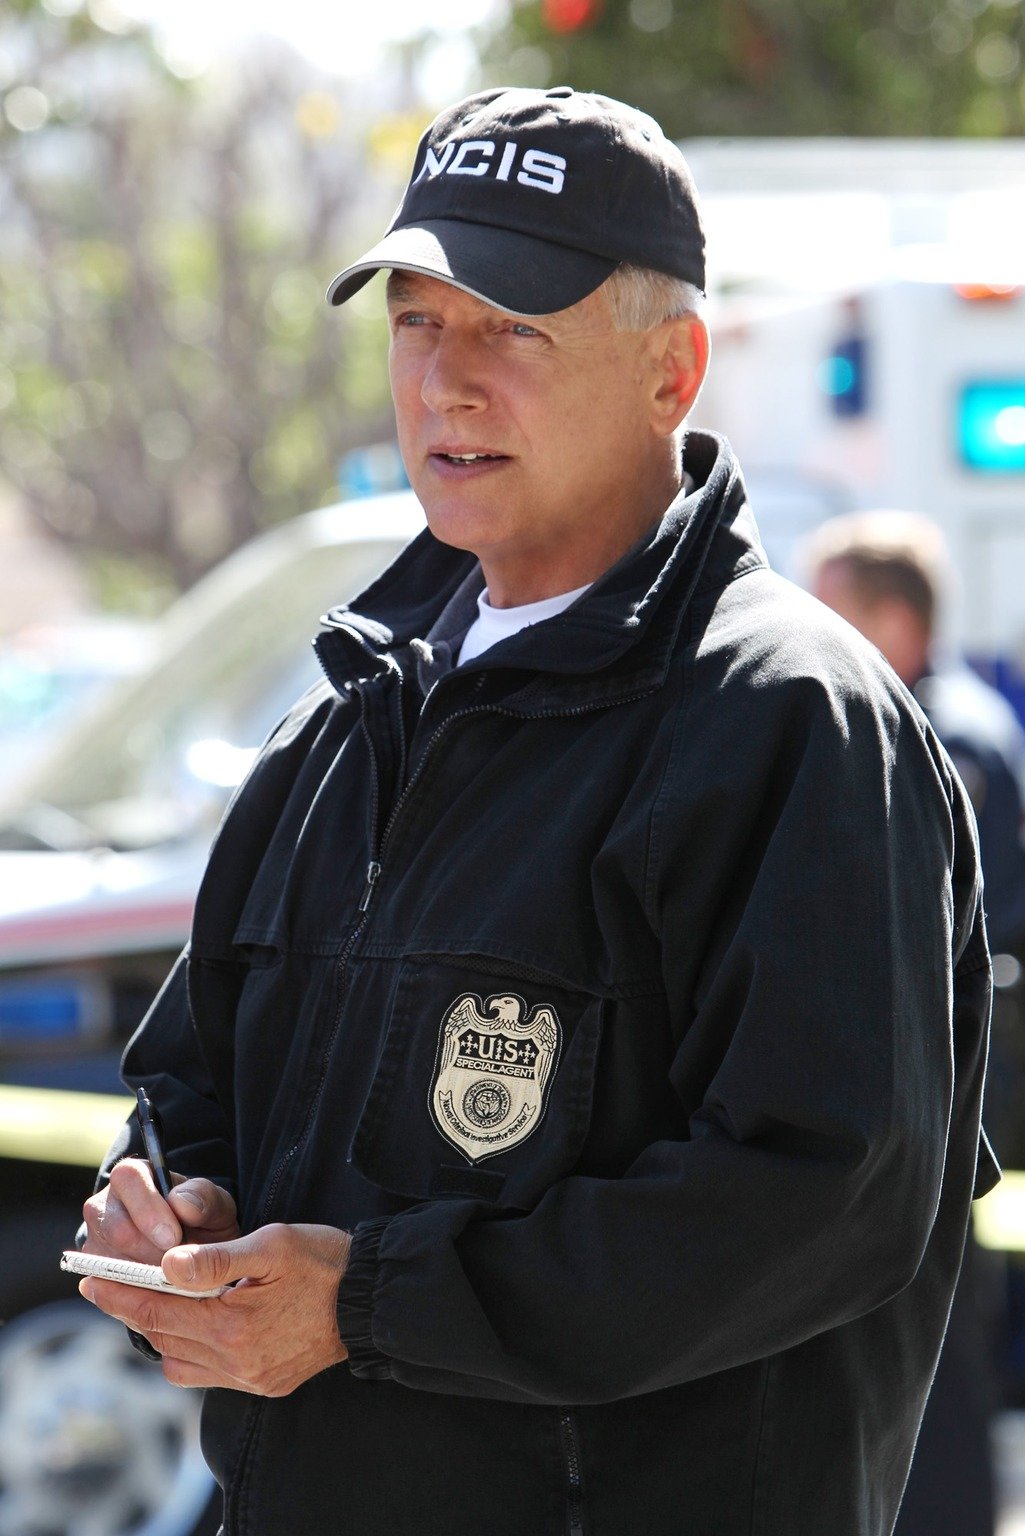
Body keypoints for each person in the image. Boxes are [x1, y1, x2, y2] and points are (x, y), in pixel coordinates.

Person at [76, 88, 997, 1536]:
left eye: (512, 327)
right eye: (416, 323)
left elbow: (817, 1194)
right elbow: (194, 1086)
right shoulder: (345, 720)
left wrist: (365, 1305)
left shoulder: (789, 722)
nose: (446, 381)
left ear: (670, 371)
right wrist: (164, 1206)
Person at [807, 509, 1025, 1536]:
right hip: (955, 1099)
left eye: (830, 610)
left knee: (935, 1358)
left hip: (953, 1104)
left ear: (891, 622)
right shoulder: (945, 718)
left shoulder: (932, 739)